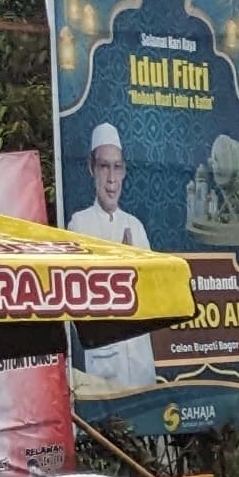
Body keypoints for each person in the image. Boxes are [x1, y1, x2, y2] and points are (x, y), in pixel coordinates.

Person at [66, 124, 158, 391]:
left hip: (140, 360)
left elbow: (152, 291)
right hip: (105, 364)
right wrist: (120, 264)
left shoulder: (136, 226)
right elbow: (82, 294)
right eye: (104, 167)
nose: (111, 179)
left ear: (125, 172)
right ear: (91, 169)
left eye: (117, 167)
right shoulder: (79, 225)